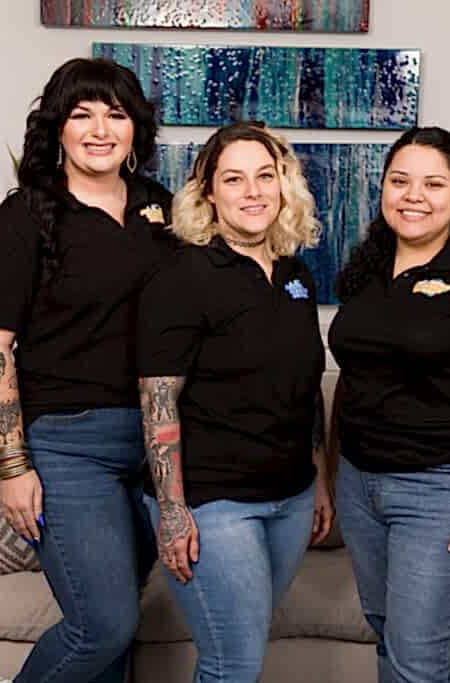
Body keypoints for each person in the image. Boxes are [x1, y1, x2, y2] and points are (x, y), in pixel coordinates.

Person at [0, 57, 175, 683]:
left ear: (137, 129)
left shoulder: (163, 212)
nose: (100, 128)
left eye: (116, 113)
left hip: (155, 446)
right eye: (82, 114)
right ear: (58, 128)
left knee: (116, 627)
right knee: (102, 624)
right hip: (67, 445)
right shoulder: (22, 218)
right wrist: (13, 466)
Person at [327, 126, 450, 682]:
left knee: (418, 656)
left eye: (433, 183)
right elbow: (352, 378)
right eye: (400, 181)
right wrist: (331, 472)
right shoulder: (366, 272)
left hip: (440, 490)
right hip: (360, 483)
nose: (414, 195)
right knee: (387, 632)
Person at [137, 120, 335, 683]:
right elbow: (158, 401)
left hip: (291, 498)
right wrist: (173, 510)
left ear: (283, 185)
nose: (252, 191)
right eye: (234, 179)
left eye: (265, 176)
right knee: (234, 665)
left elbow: (304, 381)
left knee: (238, 650)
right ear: (208, 194)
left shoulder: (297, 275)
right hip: (212, 503)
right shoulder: (182, 275)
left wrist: (318, 476)